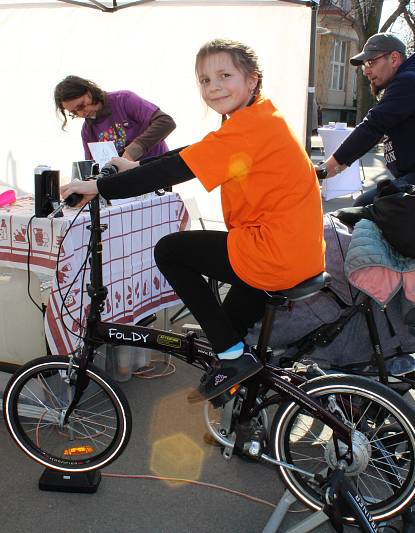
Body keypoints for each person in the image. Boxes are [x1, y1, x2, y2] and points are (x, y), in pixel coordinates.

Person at [60, 39, 325, 401]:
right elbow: (193, 154)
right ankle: (244, 398)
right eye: (204, 80)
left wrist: (98, 185)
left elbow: (179, 166)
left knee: (171, 251)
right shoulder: (259, 117)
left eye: (224, 75)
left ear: (252, 80)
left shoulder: (250, 127)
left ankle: (234, 361)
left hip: (272, 252)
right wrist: (135, 165)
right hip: (297, 251)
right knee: (227, 329)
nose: (213, 86)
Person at [322, 33, 415, 206]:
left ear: (394, 58)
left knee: (365, 207)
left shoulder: (411, 81)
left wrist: (325, 169)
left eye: (371, 62)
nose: (366, 71)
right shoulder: (412, 81)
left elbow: (372, 127)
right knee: (376, 210)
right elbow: (373, 133)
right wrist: (336, 168)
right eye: (365, 65)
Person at [54, 76, 175, 162]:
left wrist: (131, 152)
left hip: (156, 171)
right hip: (128, 184)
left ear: (89, 91)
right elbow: (93, 166)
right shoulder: (87, 131)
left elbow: (166, 122)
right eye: (74, 112)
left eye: (81, 105)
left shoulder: (124, 100)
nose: (81, 113)